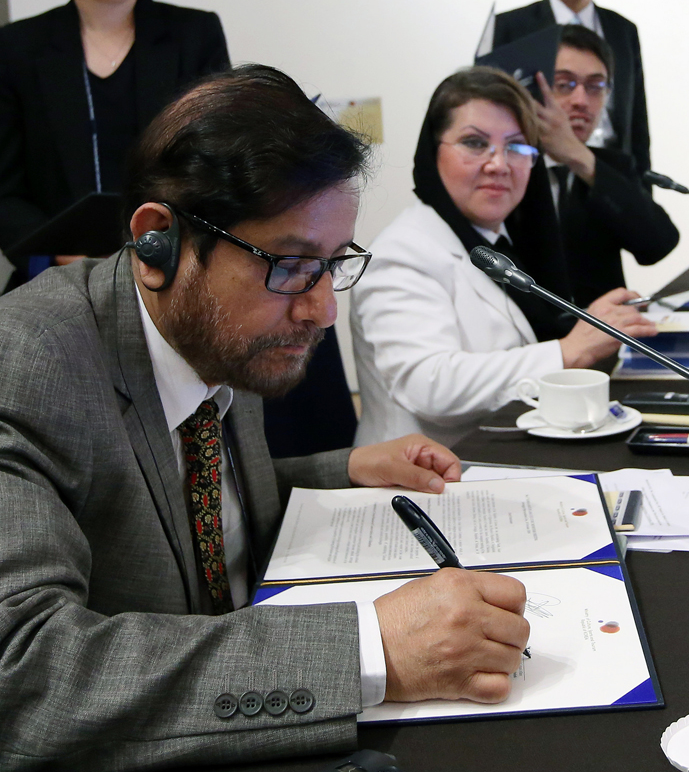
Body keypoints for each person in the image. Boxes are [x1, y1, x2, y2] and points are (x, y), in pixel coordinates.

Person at [0, 65, 530, 770]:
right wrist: (371, 645)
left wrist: (340, 467)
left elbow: (184, 496)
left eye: (333, 263)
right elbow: (26, 675)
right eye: (289, 263)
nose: (322, 309)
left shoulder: (218, 327)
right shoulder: (30, 358)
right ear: (159, 242)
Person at [351, 66, 656, 448]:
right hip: (424, 474)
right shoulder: (403, 252)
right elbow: (427, 384)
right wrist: (568, 351)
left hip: (500, 449)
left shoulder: (505, 242)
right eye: (475, 143)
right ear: (433, 150)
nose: (499, 163)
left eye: (516, 146)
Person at [0, 0, 230, 274]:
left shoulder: (194, 36)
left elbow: (215, 164)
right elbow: (4, 191)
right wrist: (65, 256)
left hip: (174, 267)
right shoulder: (16, 49)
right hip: (55, 275)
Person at [492, 0, 650, 175]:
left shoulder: (623, 30)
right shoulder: (511, 27)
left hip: (610, 169)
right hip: (537, 172)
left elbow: (636, 118)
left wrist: (641, 190)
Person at [535, 25, 678, 307]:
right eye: (564, 84)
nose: (581, 101)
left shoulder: (608, 166)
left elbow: (658, 244)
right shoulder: (508, 164)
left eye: (595, 87)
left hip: (605, 341)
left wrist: (581, 159)